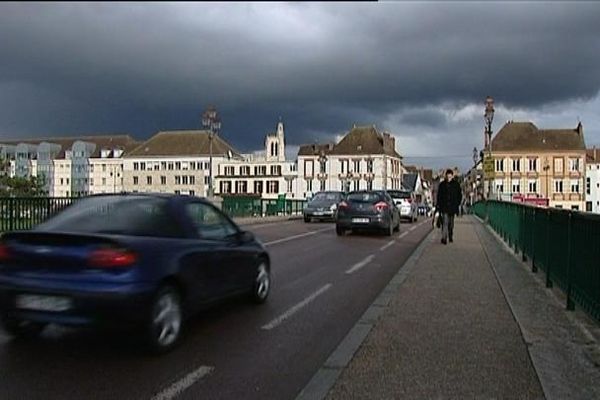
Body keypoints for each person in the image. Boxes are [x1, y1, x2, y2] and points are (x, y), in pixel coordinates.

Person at [436, 169, 462, 245]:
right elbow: (439, 196)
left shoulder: (456, 185)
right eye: (448, 177)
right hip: (444, 207)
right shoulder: (442, 185)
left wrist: (457, 203)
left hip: (453, 208)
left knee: (451, 224)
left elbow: (459, 195)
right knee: (445, 222)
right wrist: (438, 206)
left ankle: (450, 235)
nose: (449, 178)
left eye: (450, 177)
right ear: (446, 176)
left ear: (452, 176)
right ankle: (444, 238)